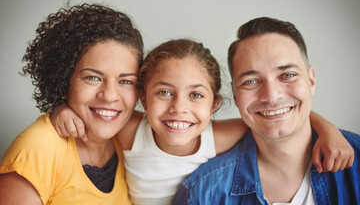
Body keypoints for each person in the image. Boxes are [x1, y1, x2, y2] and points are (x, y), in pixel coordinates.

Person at [52, 39, 353, 205]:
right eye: (164, 92)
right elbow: (98, 109)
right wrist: (64, 110)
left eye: (196, 95)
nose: (179, 108)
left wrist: (329, 131)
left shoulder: (218, 135)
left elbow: (278, 113)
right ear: (143, 98)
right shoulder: (132, 131)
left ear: (215, 105)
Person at [172, 17, 360, 205]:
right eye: (251, 81)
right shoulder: (202, 193)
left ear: (311, 81)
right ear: (236, 95)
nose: (271, 96)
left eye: (287, 75)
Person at [0, 3, 144, 204]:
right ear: (65, 79)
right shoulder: (38, 149)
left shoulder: (126, 138)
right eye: (93, 78)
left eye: (126, 81)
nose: (110, 96)